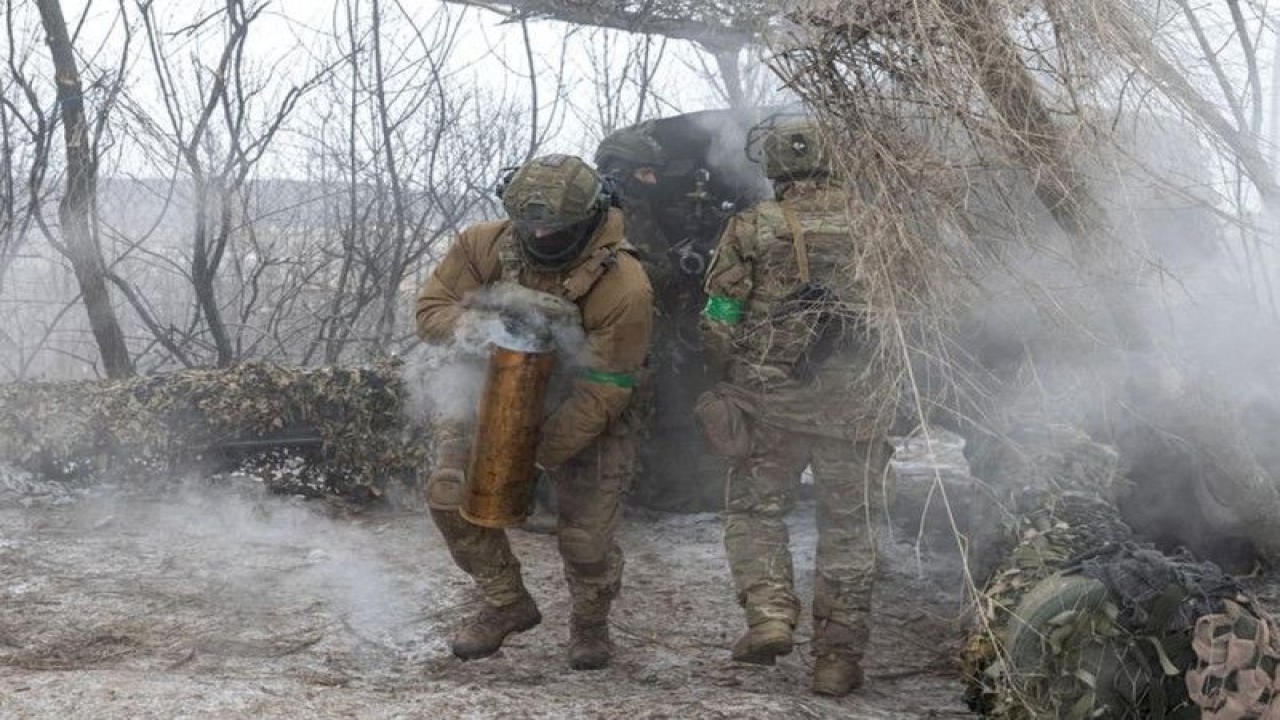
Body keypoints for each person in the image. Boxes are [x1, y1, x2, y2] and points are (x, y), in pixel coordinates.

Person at [414, 153, 653, 670]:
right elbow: (431, 312)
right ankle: (506, 602)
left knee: (587, 540)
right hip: (487, 390)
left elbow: (608, 385)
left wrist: (533, 453)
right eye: (531, 226)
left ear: (591, 215)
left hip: (585, 408)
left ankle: (590, 624)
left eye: (555, 228)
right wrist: (490, 316)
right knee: (450, 495)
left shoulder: (624, 281)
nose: (541, 236)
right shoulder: (483, 243)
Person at [698, 116, 894, 696]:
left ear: (777, 167)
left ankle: (770, 617)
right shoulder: (879, 228)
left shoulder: (753, 227)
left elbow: (721, 316)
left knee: (756, 516)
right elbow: (911, 317)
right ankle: (837, 661)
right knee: (850, 532)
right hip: (855, 412)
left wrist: (729, 367)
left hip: (770, 406)